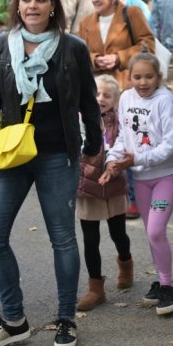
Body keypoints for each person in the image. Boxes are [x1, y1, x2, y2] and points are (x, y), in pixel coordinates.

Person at [0, 0, 102, 346]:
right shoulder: (0, 47)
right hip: (11, 154)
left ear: (52, 7)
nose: (32, 6)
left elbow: (88, 102)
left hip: (57, 154)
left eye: (40, 0)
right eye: (26, 0)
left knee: (62, 238)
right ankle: (13, 319)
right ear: (17, 5)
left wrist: (93, 146)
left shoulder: (72, 47)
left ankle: (66, 317)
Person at [100, 51, 173, 314]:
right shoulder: (125, 98)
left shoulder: (165, 101)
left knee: (156, 230)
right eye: (137, 77)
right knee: (151, 233)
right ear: (129, 77)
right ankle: (161, 279)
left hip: (165, 177)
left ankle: (168, 286)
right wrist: (112, 161)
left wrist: (138, 158)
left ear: (158, 77)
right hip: (141, 178)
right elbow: (124, 137)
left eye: (149, 77)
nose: (143, 82)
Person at [75, 75, 132, 312]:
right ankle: (95, 287)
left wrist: (115, 165)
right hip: (87, 186)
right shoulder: (79, 119)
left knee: (118, 233)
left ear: (116, 99)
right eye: (97, 94)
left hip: (114, 185)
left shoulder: (122, 121)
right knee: (90, 239)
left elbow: (126, 145)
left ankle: (125, 263)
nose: (101, 99)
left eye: (107, 95)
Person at [78, 0, 155, 91]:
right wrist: (95, 60)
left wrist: (119, 58)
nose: (94, 0)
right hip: (98, 90)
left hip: (128, 87)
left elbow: (148, 45)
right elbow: (80, 54)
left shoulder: (132, 13)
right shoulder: (85, 22)